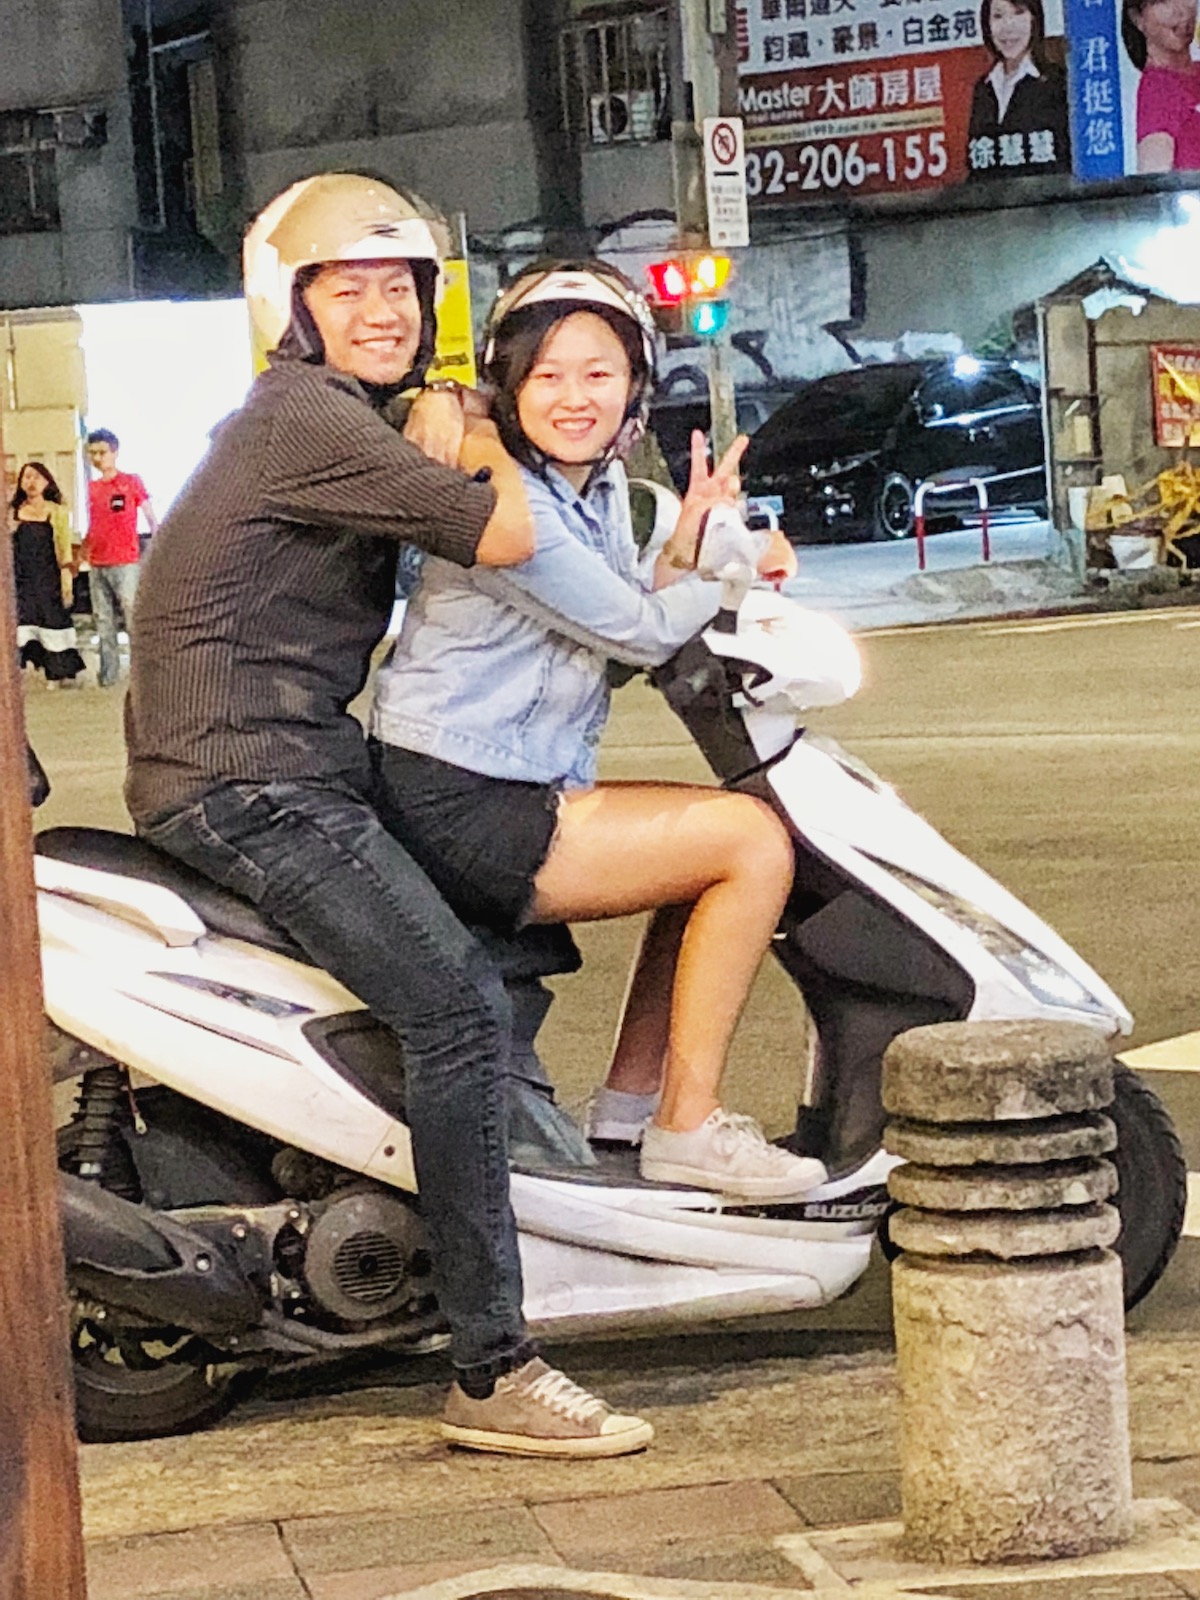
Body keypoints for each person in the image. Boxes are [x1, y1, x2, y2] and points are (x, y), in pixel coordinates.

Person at [124, 174, 652, 1460]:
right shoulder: (307, 419)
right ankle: (492, 1364)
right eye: (349, 288)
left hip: (301, 757)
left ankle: (493, 1201)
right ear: (292, 307)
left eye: (403, 289)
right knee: (455, 1010)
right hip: (247, 778)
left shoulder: (333, 417)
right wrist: (476, 422)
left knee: (503, 928)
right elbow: (508, 534)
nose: (384, 311)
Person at [370, 260, 827, 1202]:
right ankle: (688, 1128)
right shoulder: (511, 499)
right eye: (546, 375)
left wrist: (687, 539)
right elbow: (638, 632)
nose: (573, 397)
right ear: (509, 383)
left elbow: (618, 619)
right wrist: (740, 573)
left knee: (703, 852)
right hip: (461, 797)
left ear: (634, 386)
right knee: (750, 842)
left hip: (509, 783)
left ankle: (629, 1108)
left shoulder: (599, 485)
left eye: (598, 374)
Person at [85, 428, 158, 687]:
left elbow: (149, 515)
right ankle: (108, 674)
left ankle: (143, 673)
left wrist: (157, 539)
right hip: (97, 561)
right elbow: (92, 525)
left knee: (132, 617)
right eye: (93, 453)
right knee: (103, 621)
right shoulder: (91, 488)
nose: (97, 458)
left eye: (102, 452)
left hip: (125, 560)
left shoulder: (131, 482)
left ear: (114, 452)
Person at [965, 0, 1072, 178]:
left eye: (1018, 13)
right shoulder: (984, 87)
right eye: (998, 16)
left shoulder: (1057, 82)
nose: (1008, 26)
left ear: (1034, 20)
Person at [9, 462, 85, 686]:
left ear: (46, 482)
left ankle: (58, 672)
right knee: (24, 621)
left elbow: (64, 548)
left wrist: (67, 578)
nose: (31, 482)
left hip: (49, 577)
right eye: (27, 477)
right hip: (21, 579)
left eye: (37, 477)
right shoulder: (12, 513)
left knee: (52, 620)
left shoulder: (57, 511)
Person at [1122, 0, 1200, 172]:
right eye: (1164, 2)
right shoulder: (1157, 89)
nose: (1181, 10)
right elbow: (1155, 178)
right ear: (1137, 18)